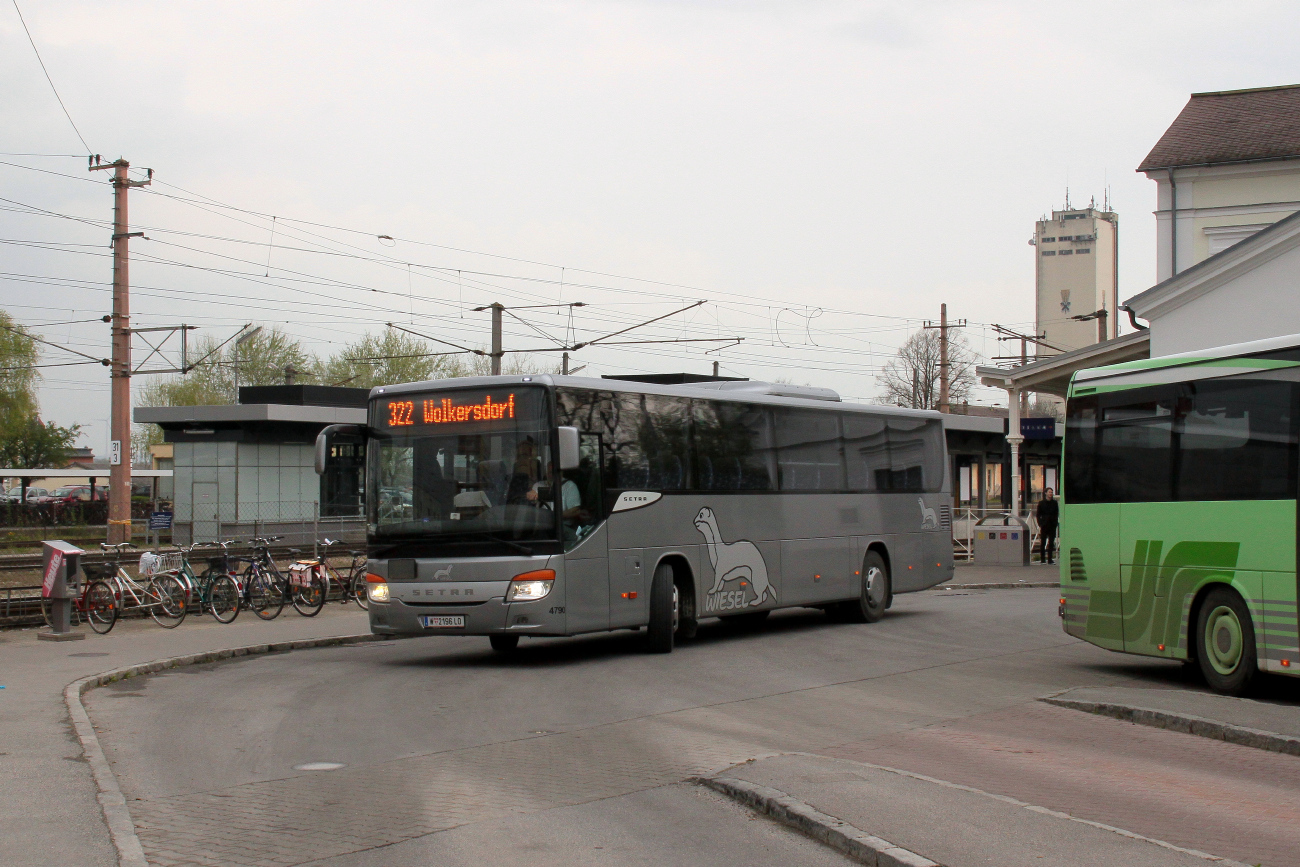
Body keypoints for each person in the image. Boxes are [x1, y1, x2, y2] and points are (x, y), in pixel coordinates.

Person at [1036, 488, 1059, 564]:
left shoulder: (1054, 503)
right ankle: (1042, 559)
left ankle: (1050, 559)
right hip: (1044, 524)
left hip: (1052, 524)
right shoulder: (1041, 503)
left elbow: (1056, 513)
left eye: (1052, 492)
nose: (1051, 494)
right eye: (1049, 492)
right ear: (1045, 493)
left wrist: (1055, 523)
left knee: (1051, 542)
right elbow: (1038, 514)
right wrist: (1040, 523)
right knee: (1043, 542)